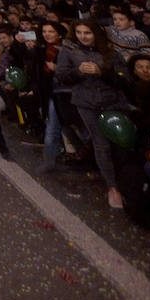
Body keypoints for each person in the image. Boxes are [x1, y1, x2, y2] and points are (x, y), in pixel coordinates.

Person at [56, 19, 130, 209]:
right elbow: (62, 76)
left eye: (87, 33)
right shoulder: (69, 52)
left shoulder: (111, 53)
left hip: (113, 102)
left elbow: (124, 80)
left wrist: (101, 72)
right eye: (79, 33)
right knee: (101, 144)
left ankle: (127, 179)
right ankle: (112, 187)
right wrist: (78, 71)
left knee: (120, 143)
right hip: (87, 103)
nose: (83, 37)